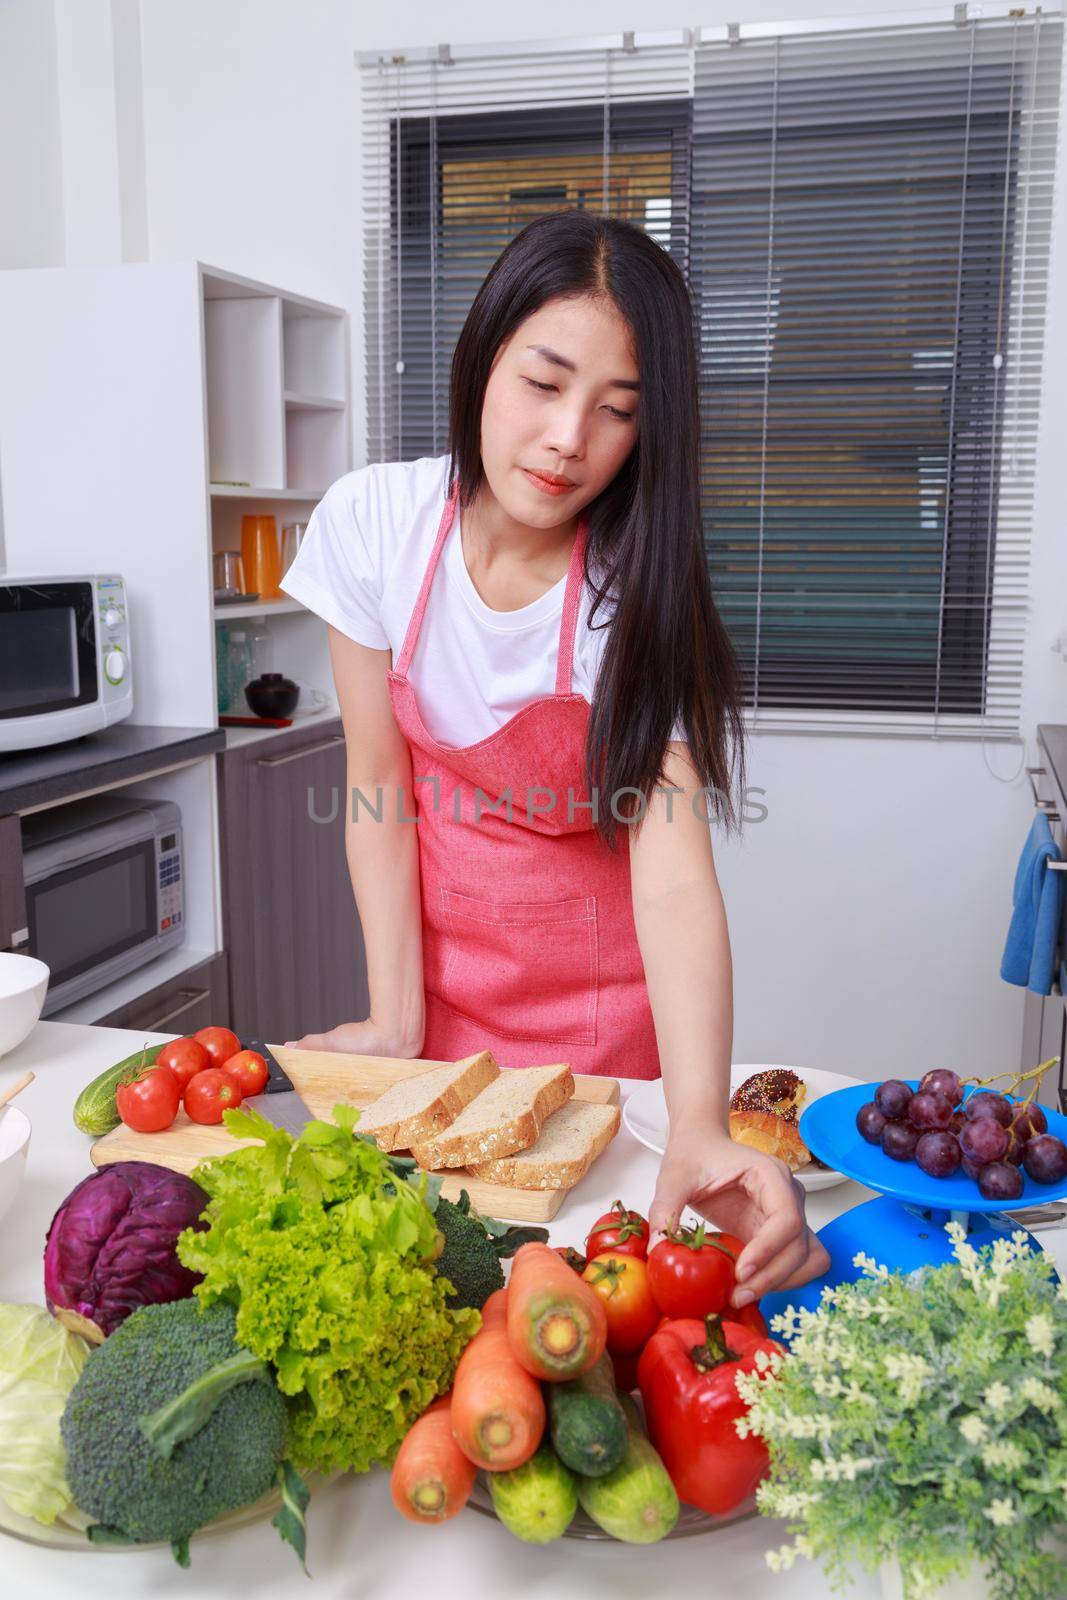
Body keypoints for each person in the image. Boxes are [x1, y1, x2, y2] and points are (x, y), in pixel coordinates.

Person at [279, 209, 829, 1310]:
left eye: (616, 409)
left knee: (591, 1306)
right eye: (542, 381)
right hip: (442, 1023)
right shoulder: (374, 529)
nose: (569, 436)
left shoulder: (633, 593)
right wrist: (395, 1019)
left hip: (606, 1050)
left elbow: (670, 875)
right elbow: (379, 791)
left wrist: (696, 1120)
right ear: (482, 356)